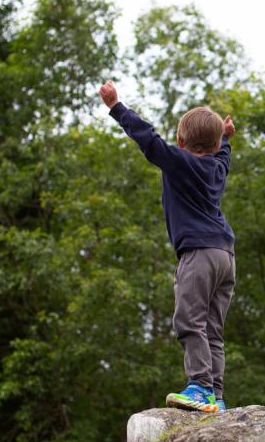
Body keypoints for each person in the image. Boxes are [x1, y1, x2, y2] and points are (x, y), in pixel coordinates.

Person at [99, 81, 236, 413]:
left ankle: (200, 387)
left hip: (199, 253)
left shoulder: (178, 161)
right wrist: (227, 140)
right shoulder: (217, 167)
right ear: (216, 143)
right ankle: (216, 394)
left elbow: (148, 139)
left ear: (181, 142)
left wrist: (116, 106)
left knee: (189, 320)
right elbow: (225, 157)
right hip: (226, 257)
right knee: (213, 329)